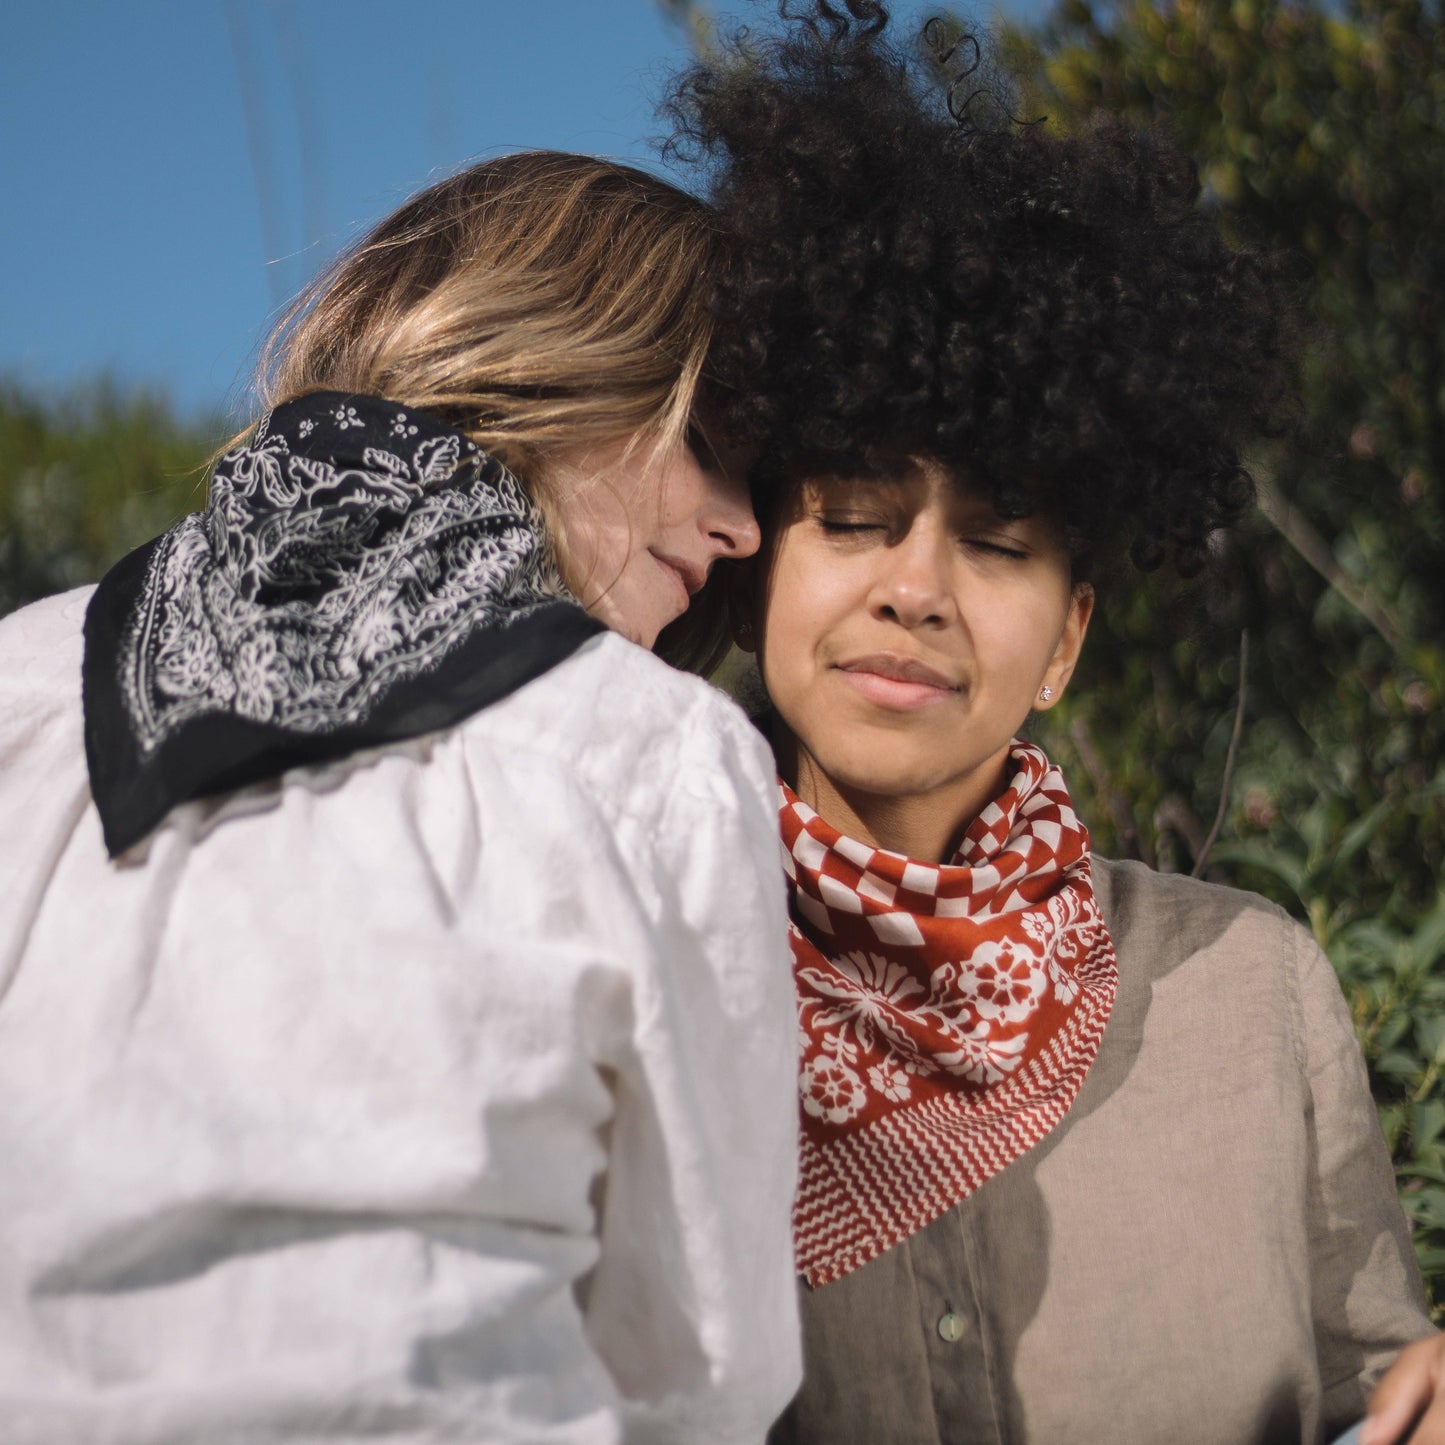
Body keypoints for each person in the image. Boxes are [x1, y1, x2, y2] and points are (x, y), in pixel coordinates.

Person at [669, 5, 1444, 1441]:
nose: (915, 591)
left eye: (999, 543)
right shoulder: (628, 972)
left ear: (1066, 640)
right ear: (760, 557)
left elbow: (1375, 1390)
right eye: (851, 516)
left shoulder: (1252, 993)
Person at [0, 151, 801, 1442]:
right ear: (556, 356)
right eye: (716, 442)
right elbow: (702, 1360)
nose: (741, 527)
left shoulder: (19, 683)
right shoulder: (655, 759)